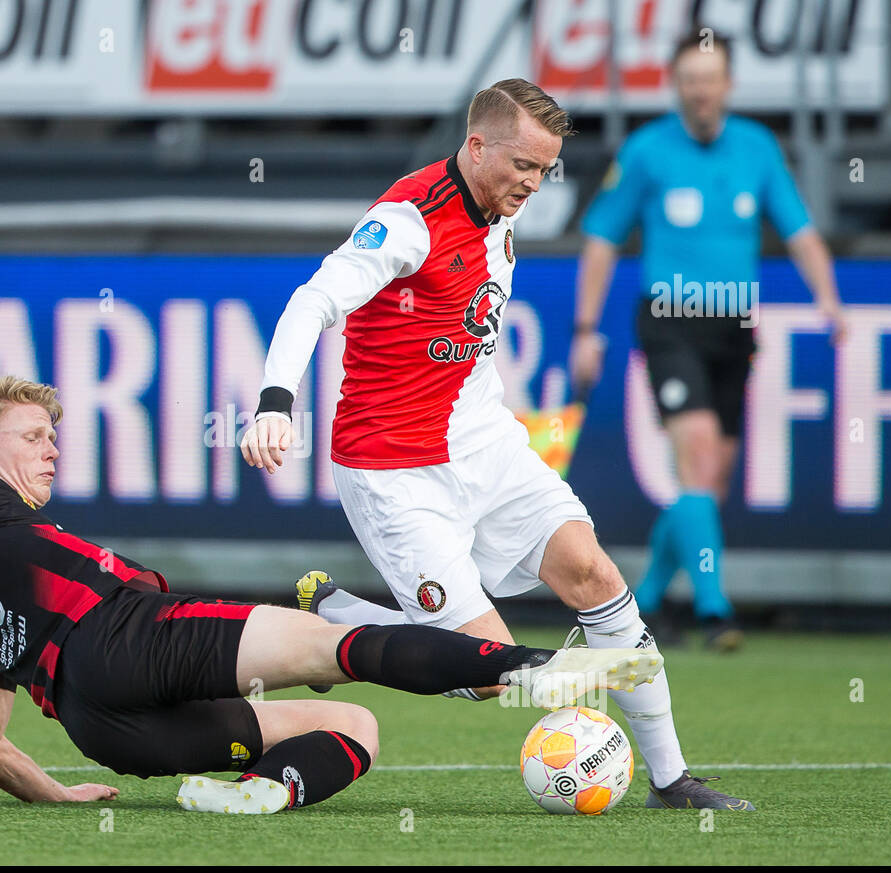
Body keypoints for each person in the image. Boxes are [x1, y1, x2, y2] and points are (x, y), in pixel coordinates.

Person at [0, 373, 661, 814]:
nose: (49, 449)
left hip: (103, 726)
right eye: (33, 436)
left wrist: (64, 790)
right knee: (325, 644)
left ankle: (264, 792)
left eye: (52, 434)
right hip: (128, 636)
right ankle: (548, 666)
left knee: (348, 723)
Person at [241, 78, 752, 810]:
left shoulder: (499, 214)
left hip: (485, 445)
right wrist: (274, 403)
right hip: (396, 473)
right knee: (486, 673)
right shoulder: (408, 220)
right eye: (523, 166)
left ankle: (672, 780)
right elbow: (312, 300)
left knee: (596, 575)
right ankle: (345, 621)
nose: (533, 184)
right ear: (476, 145)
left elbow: (462, 341)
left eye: (545, 171)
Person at [570, 32, 846, 651]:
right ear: (676, 84)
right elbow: (601, 240)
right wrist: (585, 329)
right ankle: (714, 610)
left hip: (734, 327)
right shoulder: (645, 151)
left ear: (728, 84)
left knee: (710, 485)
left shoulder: (757, 148)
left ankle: (641, 601)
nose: (700, 90)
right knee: (695, 459)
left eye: (710, 77)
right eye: (689, 78)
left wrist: (828, 298)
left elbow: (800, 231)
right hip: (670, 320)